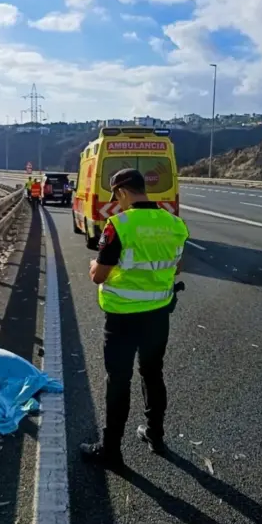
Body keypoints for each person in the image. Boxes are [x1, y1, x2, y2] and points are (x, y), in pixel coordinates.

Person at [80, 168, 189, 469]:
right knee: (152, 374)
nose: (116, 201)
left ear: (124, 191)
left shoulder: (119, 225)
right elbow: (177, 267)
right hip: (158, 315)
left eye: (116, 195)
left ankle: (111, 451)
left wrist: (92, 265)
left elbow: (98, 275)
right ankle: (155, 435)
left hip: (122, 319)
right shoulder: (174, 223)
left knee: (119, 380)